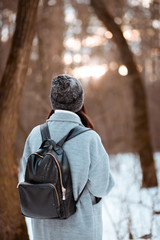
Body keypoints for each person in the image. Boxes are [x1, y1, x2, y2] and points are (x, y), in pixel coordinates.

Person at [21, 74, 114, 240]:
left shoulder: (35, 135)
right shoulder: (89, 138)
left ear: (53, 100)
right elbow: (101, 187)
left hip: (43, 231)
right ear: (80, 102)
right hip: (80, 231)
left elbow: (29, 180)